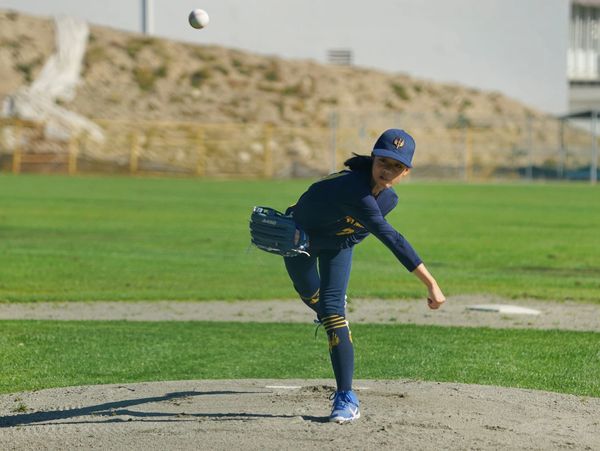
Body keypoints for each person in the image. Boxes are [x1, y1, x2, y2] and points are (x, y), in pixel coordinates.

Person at [282, 128, 446, 423]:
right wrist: (431, 283)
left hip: (337, 246)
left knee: (332, 314)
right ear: (373, 159)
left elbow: (361, 233)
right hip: (299, 242)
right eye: (384, 161)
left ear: (406, 171)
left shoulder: (387, 200)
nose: (388, 170)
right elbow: (390, 237)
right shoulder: (352, 188)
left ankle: (346, 396)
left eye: (397, 165)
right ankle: (327, 309)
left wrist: (431, 283)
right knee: (311, 296)